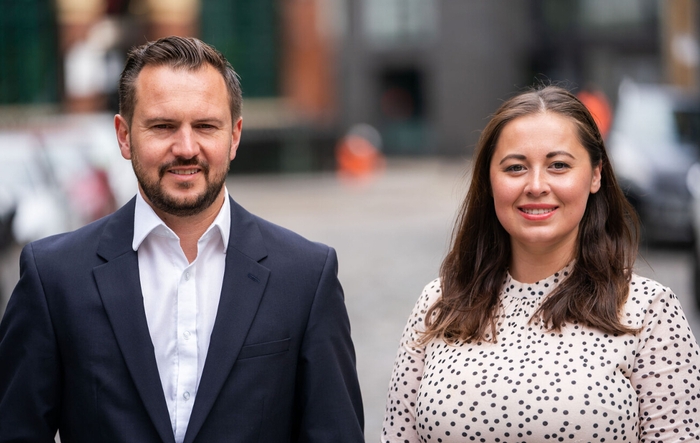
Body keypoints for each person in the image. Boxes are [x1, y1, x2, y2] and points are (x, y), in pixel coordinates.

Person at [0, 36, 364, 443]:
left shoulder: (305, 276)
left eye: (206, 126)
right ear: (124, 135)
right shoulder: (54, 276)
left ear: (234, 136)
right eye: (163, 126)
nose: (186, 148)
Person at [381, 85, 700, 442]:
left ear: (595, 174)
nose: (535, 185)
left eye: (558, 165)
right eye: (515, 167)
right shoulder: (439, 304)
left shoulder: (648, 311)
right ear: (489, 180)